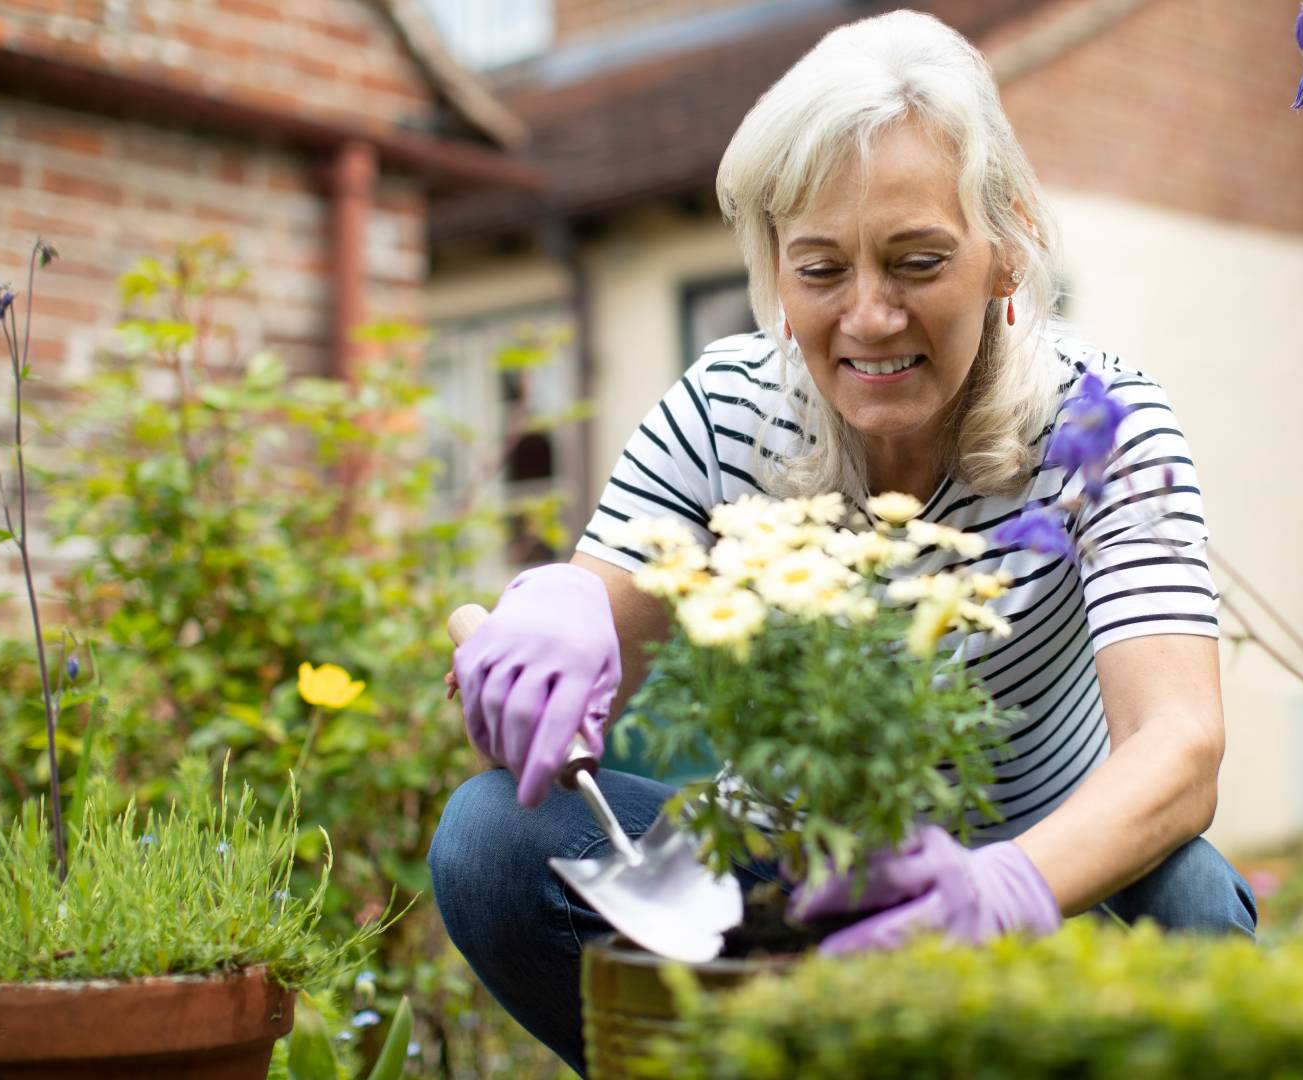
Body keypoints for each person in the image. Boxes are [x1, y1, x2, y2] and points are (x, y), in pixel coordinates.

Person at [428, 9, 1256, 1074]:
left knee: (1190, 903)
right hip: (788, 886)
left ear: (1005, 250)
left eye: (916, 262)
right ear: (774, 268)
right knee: (497, 840)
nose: (868, 318)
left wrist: (1006, 890)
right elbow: (593, 677)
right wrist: (560, 617)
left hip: (1045, 889)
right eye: (820, 271)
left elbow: (1178, 747)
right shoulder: (723, 411)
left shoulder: (1102, 424)